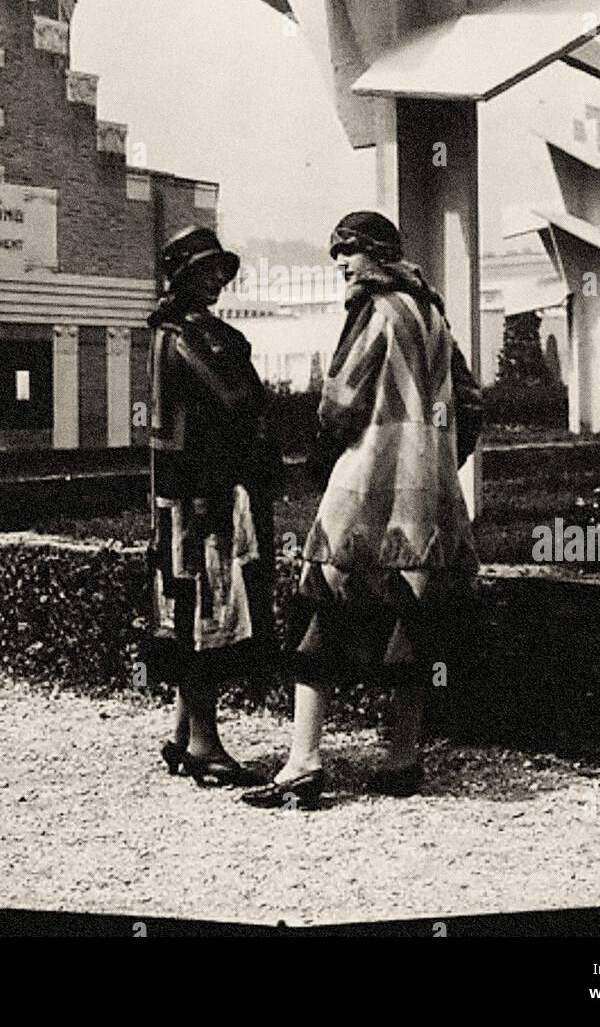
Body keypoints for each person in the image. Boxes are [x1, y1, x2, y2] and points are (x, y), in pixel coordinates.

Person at [243, 211, 481, 809]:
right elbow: (471, 406)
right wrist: (436, 460)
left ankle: (303, 761)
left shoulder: (372, 309)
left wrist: (324, 460)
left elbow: (340, 401)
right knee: (412, 615)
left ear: (376, 255)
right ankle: (403, 758)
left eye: (348, 252)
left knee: (317, 606)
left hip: (367, 485)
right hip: (427, 497)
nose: (342, 265)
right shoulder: (433, 314)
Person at [145, 226, 278, 787]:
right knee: (202, 613)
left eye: (219, 270)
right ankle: (204, 743)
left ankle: (182, 734)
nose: (216, 280)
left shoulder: (176, 332)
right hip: (201, 496)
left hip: (183, 494)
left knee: (187, 610)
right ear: (183, 278)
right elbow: (237, 399)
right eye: (203, 271)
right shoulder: (190, 337)